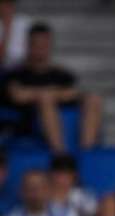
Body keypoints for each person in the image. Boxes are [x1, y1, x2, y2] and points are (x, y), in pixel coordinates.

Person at [3, 22, 102, 153]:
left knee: (93, 99)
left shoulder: (62, 74)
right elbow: (17, 95)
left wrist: (45, 94)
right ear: (28, 45)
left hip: (65, 118)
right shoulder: (15, 73)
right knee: (46, 100)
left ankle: (87, 152)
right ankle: (59, 154)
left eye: (44, 44)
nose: (41, 48)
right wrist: (48, 95)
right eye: (36, 44)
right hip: (27, 123)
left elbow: (73, 93)